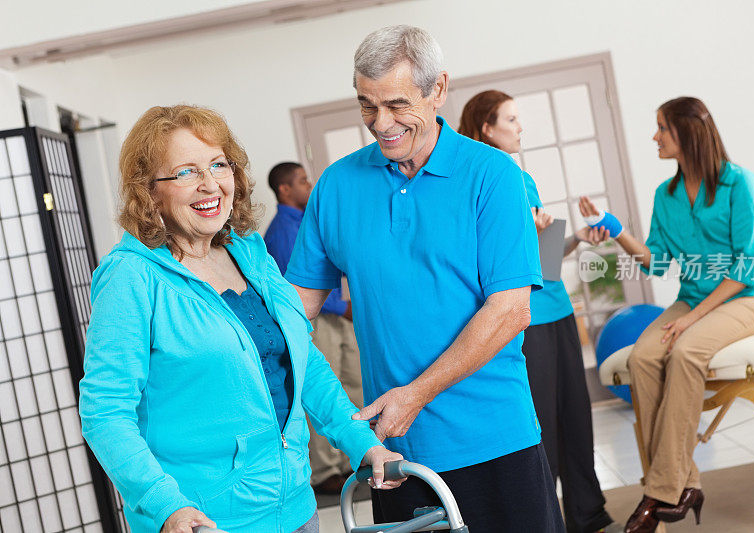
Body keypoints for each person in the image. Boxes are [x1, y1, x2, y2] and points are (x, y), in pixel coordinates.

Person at [285, 25, 566, 532]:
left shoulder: (493, 175)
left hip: (496, 438)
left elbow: (510, 310)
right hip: (396, 455)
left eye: (396, 104)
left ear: (438, 89)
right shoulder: (337, 186)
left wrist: (415, 394)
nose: (381, 123)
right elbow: (294, 313)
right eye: (367, 106)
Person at [78, 105, 402, 533]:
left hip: (297, 508)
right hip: (206, 521)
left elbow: (305, 362)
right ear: (150, 190)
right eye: (186, 172)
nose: (210, 183)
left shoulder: (247, 249)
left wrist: (362, 442)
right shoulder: (130, 277)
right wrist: (164, 505)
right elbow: (105, 412)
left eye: (218, 164)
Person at [579, 97, 754, 533]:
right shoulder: (666, 195)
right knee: (643, 357)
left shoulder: (740, 184)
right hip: (694, 297)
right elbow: (655, 262)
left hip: (752, 295)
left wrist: (692, 319)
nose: (654, 136)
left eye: (661, 128)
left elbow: (746, 267)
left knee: (686, 350)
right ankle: (684, 483)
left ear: (687, 133)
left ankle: (659, 492)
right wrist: (614, 228)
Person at [458, 89, 621, 533]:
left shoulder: (522, 178)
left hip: (557, 310)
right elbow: (477, 262)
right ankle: (542, 518)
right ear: (486, 127)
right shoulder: (473, 181)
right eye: (510, 120)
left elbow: (543, 262)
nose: (519, 128)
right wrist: (520, 234)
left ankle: (588, 515)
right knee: (542, 425)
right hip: (522, 321)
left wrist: (578, 238)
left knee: (576, 418)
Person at [264, 161, 363, 494]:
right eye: (303, 181)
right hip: (316, 320)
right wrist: (343, 306)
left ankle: (354, 454)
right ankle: (325, 472)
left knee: (350, 385)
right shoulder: (282, 231)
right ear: (285, 190)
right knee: (320, 390)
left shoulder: (306, 221)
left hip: (337, 316)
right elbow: (295, 287)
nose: (310, 185)